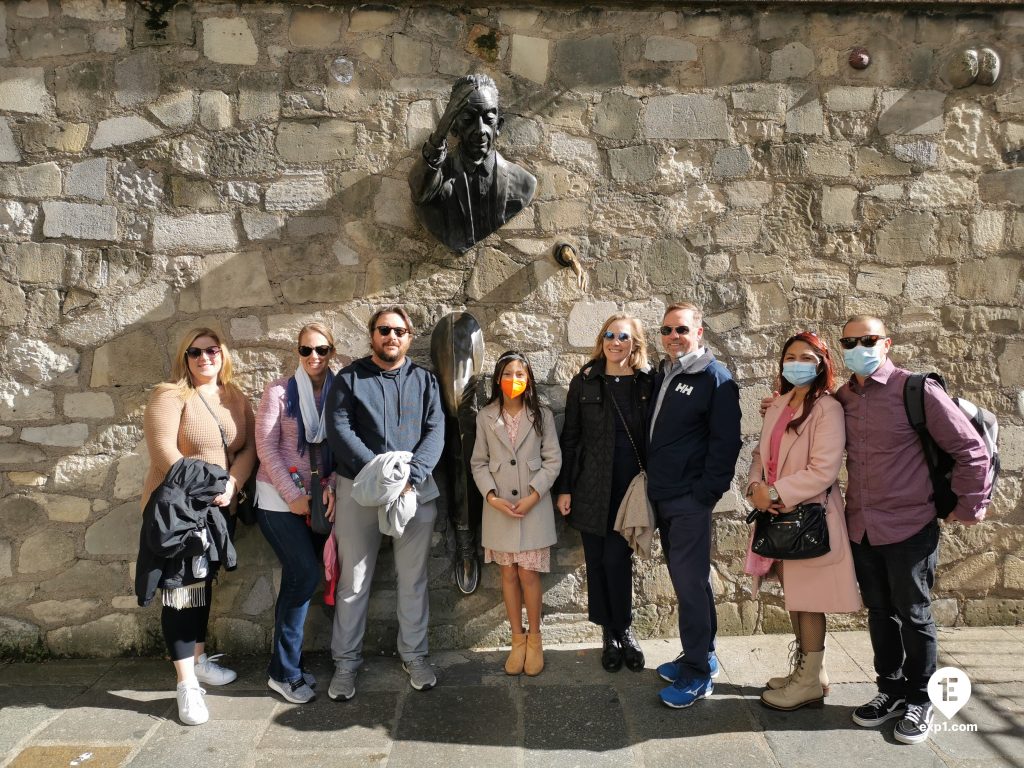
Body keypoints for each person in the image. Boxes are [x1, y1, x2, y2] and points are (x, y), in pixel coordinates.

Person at [836, 315, 989, 744]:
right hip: (861, 527)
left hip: (910, 527)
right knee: (879, 613)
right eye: (849, 342)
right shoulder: (843, 397)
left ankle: (921, 698)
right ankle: (890, 690)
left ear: (887, 344)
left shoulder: (916, 390)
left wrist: (968, 506)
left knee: (914, 614)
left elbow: (971, 449)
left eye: (868, 340)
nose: (859, 348)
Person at [325, 306, 445, 701]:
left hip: (413, 489)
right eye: (383, 329)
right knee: (354, 580)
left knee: (413, 579)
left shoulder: (425, 381)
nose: (391, 336)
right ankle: (346, 663)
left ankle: (415, 656)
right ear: (372, 335)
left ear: (409, 337)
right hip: (359, 488)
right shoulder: (349, 379)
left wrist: (410, 477)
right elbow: (339, 429)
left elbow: (436, 431)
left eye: (398, 330)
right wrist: (378, 474)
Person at [140, 327, 256, 726]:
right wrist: (211, 487)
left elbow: (248, 447)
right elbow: (164, 453)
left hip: (218, 512)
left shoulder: (234, 397)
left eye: (212, 350)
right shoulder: (169, 395)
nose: (204, 357)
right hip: (179, 514)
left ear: (223, 354)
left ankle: (199, 660)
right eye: (195, 352)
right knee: (179, 592)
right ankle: (186, 684)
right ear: (184, 357)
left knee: (202, 585)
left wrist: (233, 483)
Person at [744, 331, 861, 711]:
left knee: (809, 601)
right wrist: (755, 487)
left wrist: (775, 493)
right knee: (795, 596)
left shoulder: (827, 409)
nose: (797, 364)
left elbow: (823, 470)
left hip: (809, 517)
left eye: (807, 358)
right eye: (790, 357)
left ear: (822, 364)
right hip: (778, 515)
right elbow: (760, 454)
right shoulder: (779, 403)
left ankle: (808, 682)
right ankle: (810, 672)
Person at [647, 302, 742, 709]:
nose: (673, 336)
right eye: (667, 330)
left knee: (688, 586)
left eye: (681, 329)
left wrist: (705, 494)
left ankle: (698, 674)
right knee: (692, 582)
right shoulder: (667, 372)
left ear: (698, 332)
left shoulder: (715, 378)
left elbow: (727, 443)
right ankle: (703, 653)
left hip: (689, 499)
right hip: (665, 496)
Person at [556, 314, 654, 673]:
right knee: (596, 561)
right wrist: (565, 487)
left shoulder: (648, 382)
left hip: (630, 490)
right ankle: (608, 634)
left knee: (617, 559)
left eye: (623, 337)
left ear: (635, 343)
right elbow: (570, 438)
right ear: (602, 340)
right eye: (610, 335)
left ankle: (624, 628)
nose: (616, 342)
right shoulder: (585, 381)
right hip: (591, 486)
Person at [254, 322, 338, 704]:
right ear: (298, 353)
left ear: (331, 352)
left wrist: (330, 487)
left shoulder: (339, 393)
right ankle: (283, 673)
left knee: (300, 579)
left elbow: (341, 446)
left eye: (321, 350)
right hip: (277, 500)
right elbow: (266, 447)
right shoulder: (278, 392)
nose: (313, 357)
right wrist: (292, 495)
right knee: (304, 573)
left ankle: (288, 664)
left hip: (319, 502)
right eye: (306, 350)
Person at [471, 351, 562, 676]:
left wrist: (535, 494)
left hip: (533, 507)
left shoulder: (541, 416)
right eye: (508, 374)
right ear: (498, 379)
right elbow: (478, 462)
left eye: (520, 375)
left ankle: (535, 639)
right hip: (499, 509)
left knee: (528, 574)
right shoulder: (485, 417)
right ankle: (517, 639)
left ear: (529, 380)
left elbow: (553, 460)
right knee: (508, 574)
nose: (514, 380)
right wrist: (491, 497)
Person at [408, 73, 537, 253]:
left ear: (498, 126)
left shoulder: (523, 182)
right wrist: (438, 136)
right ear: (454, 127)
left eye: (488, 119)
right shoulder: (438, 175)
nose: (480, 130)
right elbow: (419, 192)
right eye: (468, 120)